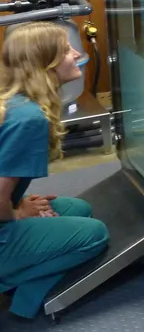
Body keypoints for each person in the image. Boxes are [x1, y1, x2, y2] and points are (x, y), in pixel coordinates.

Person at [0, 22, 109, 319]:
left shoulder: (14, 102)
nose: (76, 53)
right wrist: (17, 214)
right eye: (66, 51)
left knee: (78, 209)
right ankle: (22, 294)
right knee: (94, 236)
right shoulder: (29, 119)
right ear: (45, 64)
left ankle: (20, 280)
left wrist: (20, 203)